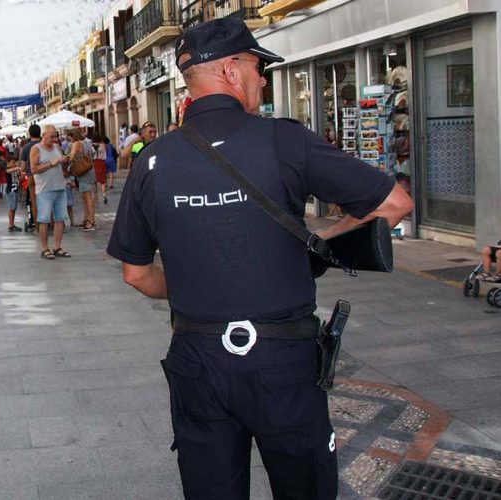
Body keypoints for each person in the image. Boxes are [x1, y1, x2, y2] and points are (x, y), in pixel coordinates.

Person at [107, 18, 412, 500]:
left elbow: (136, 274)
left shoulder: (150, 160)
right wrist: (322, 243)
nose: (263, 79)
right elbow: (394, 204)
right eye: (257, 67)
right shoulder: (285, 140)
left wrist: (191, 281)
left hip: (198, 362)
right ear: (231, 70)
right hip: (282, 361)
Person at [30, 124, 71, 259]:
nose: (54, 139)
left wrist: (65, 161)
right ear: (43, 135)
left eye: (55, 136)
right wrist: (50, 164)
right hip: (44, 189)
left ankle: (57, 247)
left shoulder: (57, 147)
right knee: (44, 219)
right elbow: (34, 169)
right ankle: (44, 248)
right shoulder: (36, 149)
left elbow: (60, 163)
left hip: (60, 187)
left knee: (60, 219)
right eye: (51, 136)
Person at [67, 128, 96, 231]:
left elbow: (71, 157)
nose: (69, 141)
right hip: (89, 169)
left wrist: (65, 159)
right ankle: (87, 218)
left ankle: (91, 220)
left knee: (87, 196)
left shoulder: (76, 144)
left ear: (73, 136)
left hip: (83, 171)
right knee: (85, 196)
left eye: (70, 138)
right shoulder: (87, 143)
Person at [19, 124, 42, 230]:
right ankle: (50, 224)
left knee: (34, 201)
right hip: (44, 175)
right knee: (48, 200)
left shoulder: (25, 147)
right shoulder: (44, 144)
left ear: (29, 133)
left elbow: (22, 166)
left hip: (31, 176)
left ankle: (37, 226)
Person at [4, 157, 23, 232]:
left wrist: (20, 175)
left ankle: (12, 224)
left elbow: (19, 179)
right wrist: (17, 168)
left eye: (15, 162)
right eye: (12, 162)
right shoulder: (7, 169)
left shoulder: (15, 170)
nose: (14, 164)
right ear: (8, 163)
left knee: (14, 208)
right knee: (11, 208)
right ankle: (10, 225)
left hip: (15, 190)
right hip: (10, 191)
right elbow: (8, 171)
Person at [92, 132, 109, 204]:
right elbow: (105, 154)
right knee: (103, 180)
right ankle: (104, 194)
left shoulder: (91, 146)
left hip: (94, 162)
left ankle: (95, 196)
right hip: (102, 163)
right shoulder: (103, 145)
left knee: (94, 181)